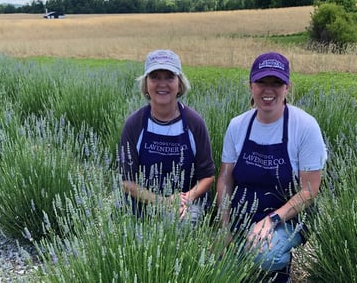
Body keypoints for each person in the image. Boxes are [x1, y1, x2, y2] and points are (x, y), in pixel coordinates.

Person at [216, 52, 327, 281]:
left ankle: (281, 270)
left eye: (276, 82)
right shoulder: (238, 125)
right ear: (251, 86)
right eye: (261, 82)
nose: (269, 90)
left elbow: (310, 191)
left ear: (287, 87)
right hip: (243, 213)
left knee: (264, 255)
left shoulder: (304, 126)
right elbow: (225, 178)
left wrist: (271, 220)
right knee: (217, 264)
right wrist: (223, 226)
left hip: (287, 217)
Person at [119, 49, 215, 223]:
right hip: (144, 200)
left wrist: (184, 198)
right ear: (146, 84)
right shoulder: (135, 124)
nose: (162, 84)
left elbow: (207, 176)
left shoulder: (194, 123)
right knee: (124, 226)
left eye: (169, 77)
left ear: (179, 83)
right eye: (155, 77)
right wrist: (162, 202)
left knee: (181, 226)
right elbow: (127, 182)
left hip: (187, 202)